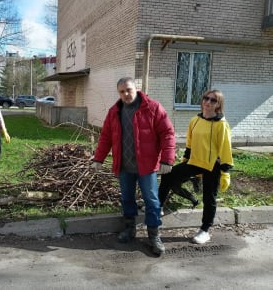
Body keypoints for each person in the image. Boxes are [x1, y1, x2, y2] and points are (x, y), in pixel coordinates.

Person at [92, 77, 176, 255]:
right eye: (122, 91)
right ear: (118, 93)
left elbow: (167, 133)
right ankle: (130, 229)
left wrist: (167, 159)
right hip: (124, 166)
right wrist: (98, 159)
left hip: (147, 166)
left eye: (129, 90)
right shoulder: (114, 111)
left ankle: (154, 235)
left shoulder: (152, 107)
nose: (126, 94)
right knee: (127, 198)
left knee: (152, 201)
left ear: (136, 88)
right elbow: (106, 137)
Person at [159, 89, 233, 244]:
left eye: (213, 100)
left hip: (213, 165)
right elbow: (190, 142)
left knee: (209, 197)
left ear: (218, 105)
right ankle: (157, 207)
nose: (208, 102)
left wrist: (225, 172)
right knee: (169, 174)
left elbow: (225, 147)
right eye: (206, 98)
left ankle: (205, 230)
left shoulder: (222, 125)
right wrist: (186, 158)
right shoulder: (195, 120)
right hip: (195, 161)